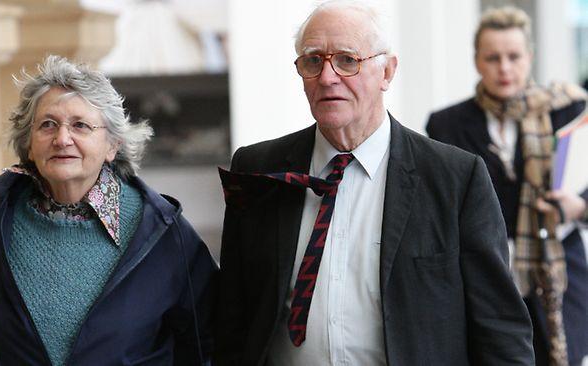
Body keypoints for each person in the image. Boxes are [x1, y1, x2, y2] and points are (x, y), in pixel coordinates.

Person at [216, 1, 534, 365]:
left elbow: (500, 329)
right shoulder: (258, 169)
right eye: (313, 60)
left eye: (348, 60)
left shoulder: (455, 179)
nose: (328, 77)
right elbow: (232, 317)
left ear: (387, 72)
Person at [0, 55, 217, 365]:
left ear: (112, 146)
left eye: (80, 125)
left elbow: (206, 342)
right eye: (47, 125)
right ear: (29, 143)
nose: (62, 138)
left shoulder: (162, 230)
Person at [426, 7, 588, 366]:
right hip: (485, 272)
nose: (504, 68)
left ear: (529, 57)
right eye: (493, 57)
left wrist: (578, 207)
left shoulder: (567, 109)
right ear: (476, 61)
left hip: (558, 273)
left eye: (513, 57)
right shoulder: (446, 124)